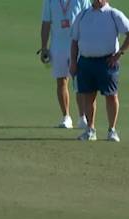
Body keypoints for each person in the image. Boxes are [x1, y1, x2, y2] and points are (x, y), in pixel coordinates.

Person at [69, 0, 129, 142]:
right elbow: (74, 41)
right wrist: (73, 62)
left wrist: (119, 53)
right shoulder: (83, 15)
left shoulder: (113, 14)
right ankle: (90, 130)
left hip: (107, 62)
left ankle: (111, 130)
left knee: (111, 96)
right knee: (88, 96)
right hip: (86, 61)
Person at [39, 0, 91, 129]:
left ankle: (82, 117)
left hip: (77, 44)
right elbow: (46, 23)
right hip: (58, 46)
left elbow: (89, 20)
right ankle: (66, 117)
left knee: (79, 82)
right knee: (61, 81)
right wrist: (44, 47)